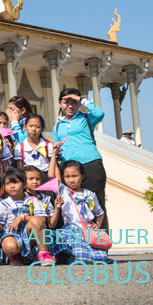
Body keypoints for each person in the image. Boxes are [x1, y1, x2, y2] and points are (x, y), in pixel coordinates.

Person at [52, 88, 109, 229]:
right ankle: (77, 246)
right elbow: (56, 149)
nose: (70, 106)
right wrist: (57, 151)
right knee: (71, 206)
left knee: (97, 204)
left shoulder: (86, 118)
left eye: (74, 102)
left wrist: (82, 99)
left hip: (90, 164)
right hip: (69, 169)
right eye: (66, 102)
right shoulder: (58, 125)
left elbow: (100, 114)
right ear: (60, 104)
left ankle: (100, 243)